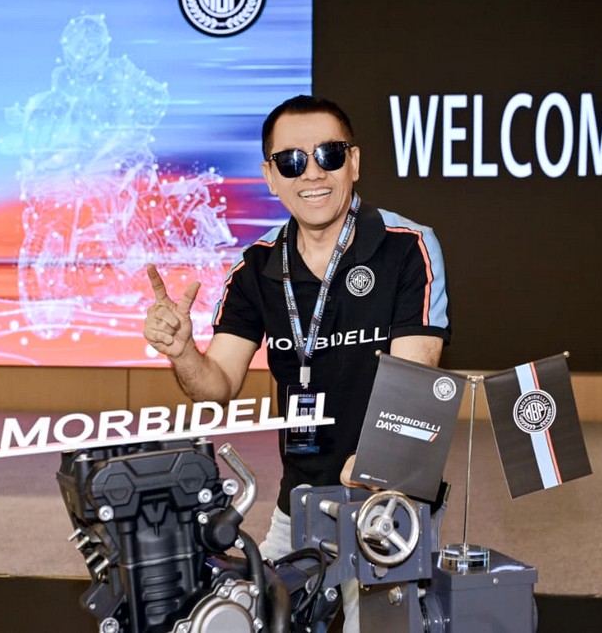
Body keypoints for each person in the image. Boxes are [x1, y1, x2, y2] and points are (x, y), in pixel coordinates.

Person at [143, 94, 451, 631]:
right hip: (299, 502)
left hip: (386, 505)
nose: (311, 173)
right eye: (291, 160)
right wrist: (183, 352)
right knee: (249, 617)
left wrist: (371, 469)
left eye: (328, 154)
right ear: (270, 176)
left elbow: (415, 383)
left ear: (354, 162)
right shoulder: (256, 267)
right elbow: (216, 385)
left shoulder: (408, 246)